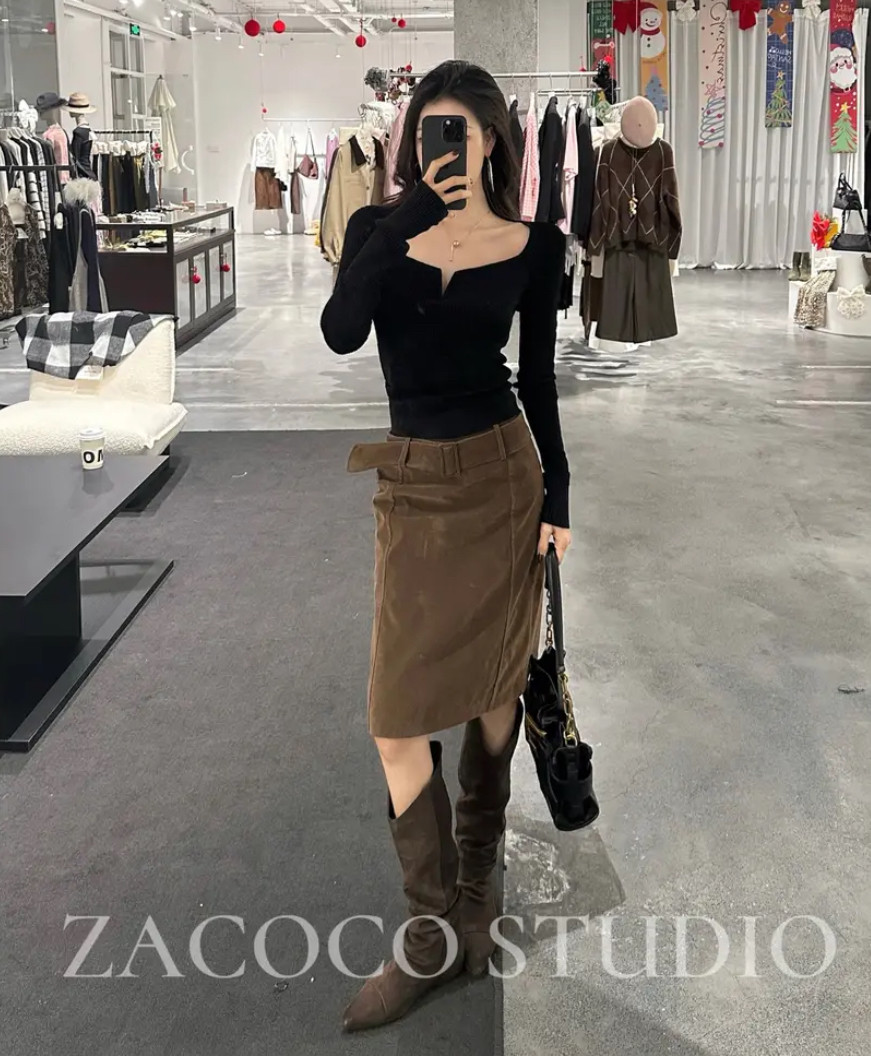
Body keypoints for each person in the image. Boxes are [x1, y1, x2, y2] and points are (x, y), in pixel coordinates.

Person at [320, 59, 572, 1032]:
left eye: (466, 131)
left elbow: (537, 381)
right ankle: (426, 935)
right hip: (414, 488)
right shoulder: (376, 232)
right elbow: (341, 331)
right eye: (433, 128)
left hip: (504, 482)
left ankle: (474, 897)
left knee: (494, 696)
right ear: (410, 138)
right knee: (395, 716)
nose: (449, 146)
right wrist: (407, 223)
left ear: (497, 141)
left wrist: (559, 496)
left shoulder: (534, 246)